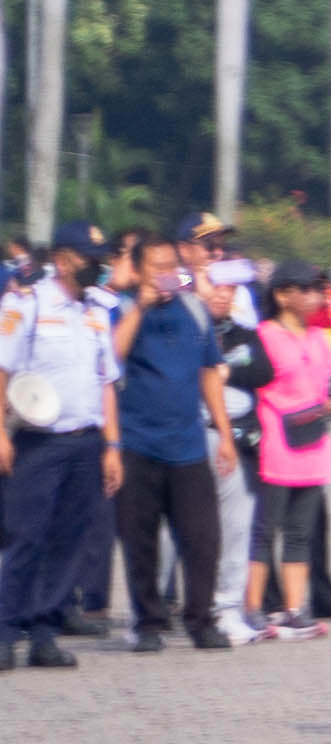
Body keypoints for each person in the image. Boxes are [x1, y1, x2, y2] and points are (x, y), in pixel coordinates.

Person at [110, 230, 236, 653]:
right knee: (140, 538)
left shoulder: (194, 310)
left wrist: (224, 433)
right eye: (156, 267)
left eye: (171, 267)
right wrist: (140, 308)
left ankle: (202, 619)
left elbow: (209, 373)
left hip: (188, 444)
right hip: (137, 442)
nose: (166, 274)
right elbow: (110, 358)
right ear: (138, 270)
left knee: (203, 538)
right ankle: (148, 621)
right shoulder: (120, 309)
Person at [3, 235, 120, 665]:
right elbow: (2, 369)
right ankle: (4, 632)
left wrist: (112, 445)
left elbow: (107, 382)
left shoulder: (97, 311)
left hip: (86, 440)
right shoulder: (27, 304)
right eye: (90, 258)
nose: (97, 266)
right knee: (26, 538)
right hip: (38, 441)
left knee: (68, 542)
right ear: (62, 260)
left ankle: (44, 634)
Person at [239, 268, 331, 637]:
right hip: (277, 439)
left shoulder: (320, 338)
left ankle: (294, 607)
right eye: (306, 289)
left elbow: (328, 383)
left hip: (313, 440)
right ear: (282, 295)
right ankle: (253, 606)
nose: (315, 296)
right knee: (265, 529)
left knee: (301, 531)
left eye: (318, 289)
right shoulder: (264, 336)